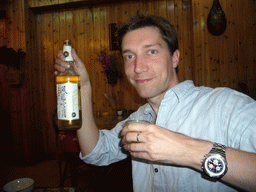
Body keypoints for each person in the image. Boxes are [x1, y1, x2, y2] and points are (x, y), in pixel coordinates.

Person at [54, 15, 256, 192]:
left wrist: (187, 150)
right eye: (129, 56)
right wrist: (84, 86)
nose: (138, 67)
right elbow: (96, 152)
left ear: (175, 57)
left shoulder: (226, 105)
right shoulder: (138, 118)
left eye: (151, 52)